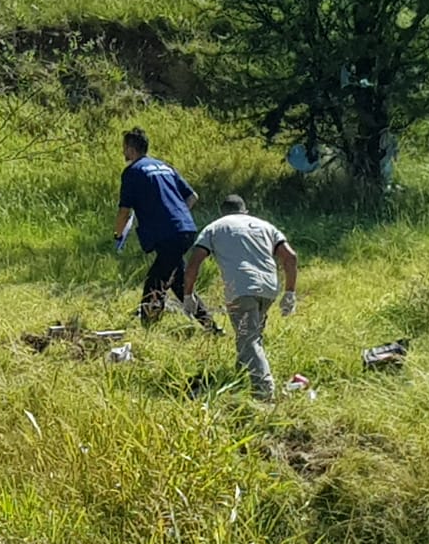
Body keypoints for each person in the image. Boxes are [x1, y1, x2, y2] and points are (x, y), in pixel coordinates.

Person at [182, 195, 298, 401]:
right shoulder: (265, 226)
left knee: (249, 338)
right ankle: (240, 377)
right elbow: (290, 257)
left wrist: (188, 294)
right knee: (251, 334)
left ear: (223, 212)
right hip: (269, 289)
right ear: (245, 211)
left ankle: (264, 392)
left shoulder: (215, 227)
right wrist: (290, 292)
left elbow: (193, 263)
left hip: (241, 290)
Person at [113, 127, 218, 331]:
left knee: (155, 282)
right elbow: (192, 196)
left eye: (124, 147)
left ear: (130, 148)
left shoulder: (132, 172)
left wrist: (117, 234)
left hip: (168, 235)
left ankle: (148, 329)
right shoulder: (164, 166)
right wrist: (177, 214)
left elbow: (124, 211)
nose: (123, 151)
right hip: (186, 228)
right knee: (177, 281)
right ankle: (211, 327)